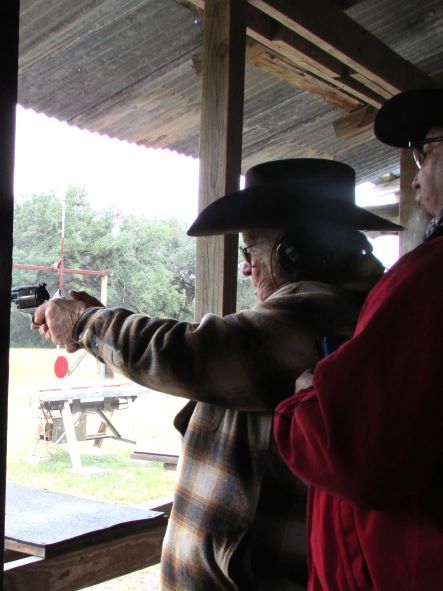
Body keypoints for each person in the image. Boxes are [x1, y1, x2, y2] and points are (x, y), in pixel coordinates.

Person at [31, 159, 396, 591]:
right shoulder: (345, 306)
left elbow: (193, 354)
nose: (246, 267)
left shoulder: (325, 311)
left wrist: (85, 323)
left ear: (293, 251)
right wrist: (98, 323)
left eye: (250, 250)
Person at [274, 88, 443, 591]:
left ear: (292, 256)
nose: (416, 175)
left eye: (426, 151)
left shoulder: (429, 278)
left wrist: (306, 397)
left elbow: (351, 449)